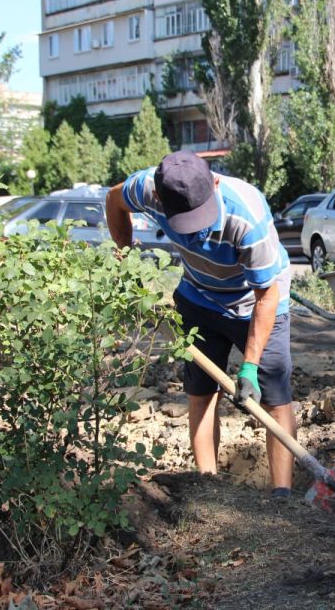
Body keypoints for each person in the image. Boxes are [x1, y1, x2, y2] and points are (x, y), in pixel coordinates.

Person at [106, 152, 296, 498]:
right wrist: (126, 261)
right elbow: (113, 199)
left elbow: (266, 297)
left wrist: (250, 368)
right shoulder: (146, 187)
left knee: (275, 397)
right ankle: (209, 488)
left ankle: (282, 495)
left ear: (216, 183)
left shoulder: (246, 215)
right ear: (159, 197)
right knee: (201, 393)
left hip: (258, 300)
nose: (198, 230)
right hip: (197, 296)